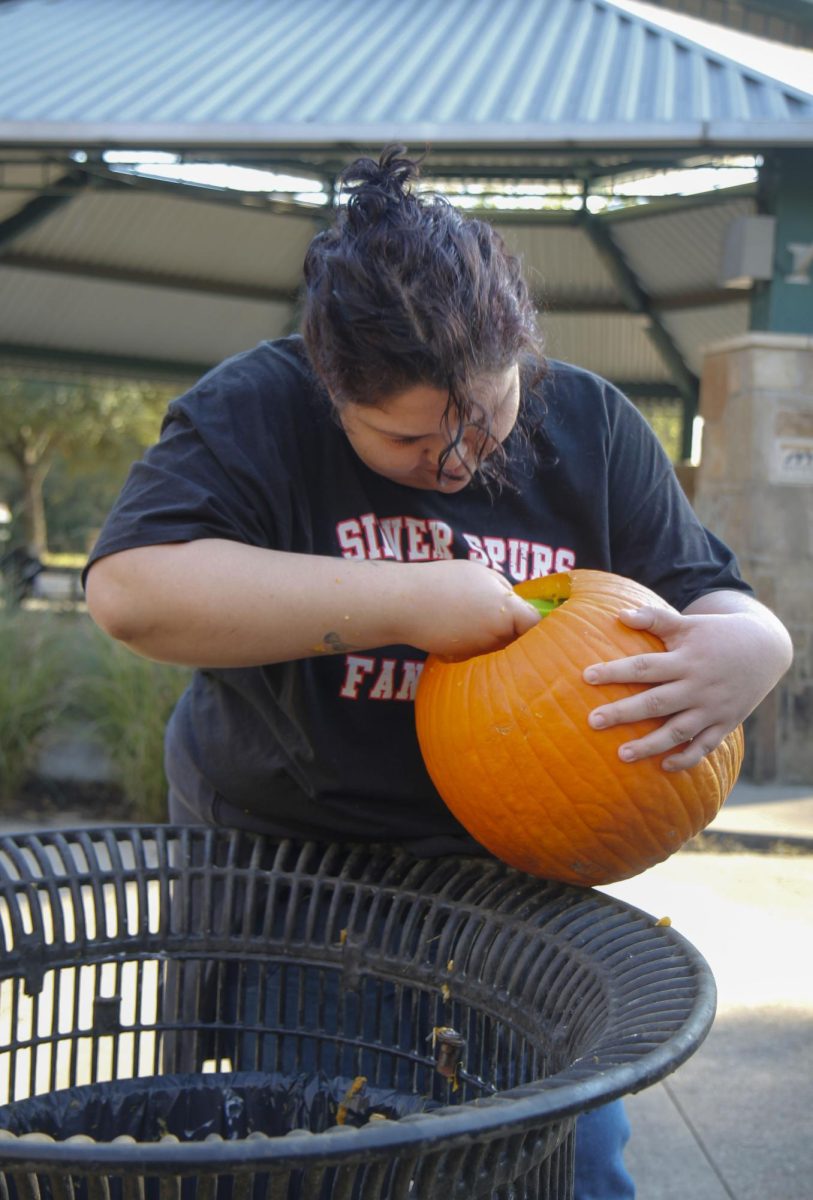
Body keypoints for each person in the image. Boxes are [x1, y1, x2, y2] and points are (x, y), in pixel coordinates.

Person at [84, 146, 793, 1198]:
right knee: (356, 1152)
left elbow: (708, 591)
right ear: (333, 392)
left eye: (485, 416)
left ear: (522, 353)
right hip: (306, 879)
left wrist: (756, 643)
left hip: (523, 881)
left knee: (570, 1163)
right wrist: (408, 599)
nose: (458, 462)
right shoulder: (258, 407)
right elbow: (131, 592)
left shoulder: (593, 426)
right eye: (412, 439)